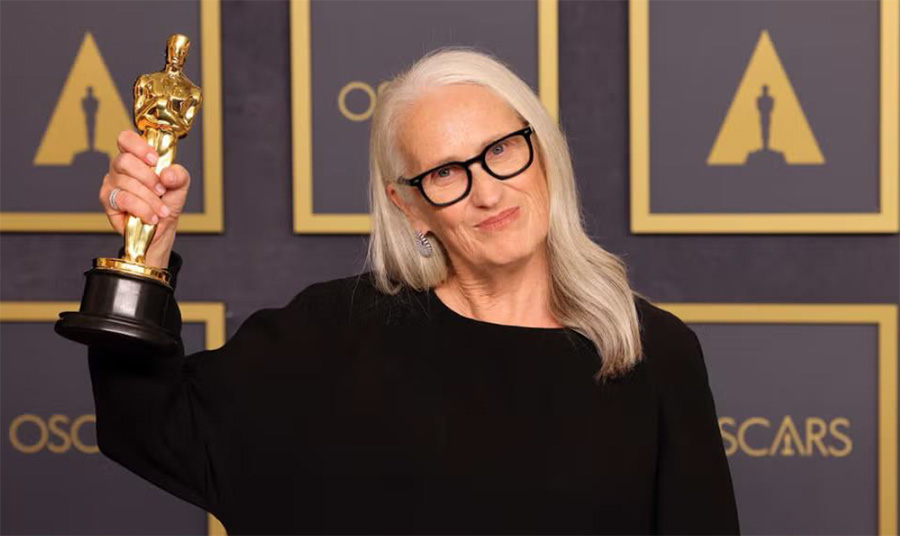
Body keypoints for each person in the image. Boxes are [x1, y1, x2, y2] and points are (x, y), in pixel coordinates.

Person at [91, 47, 740, 535]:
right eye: (447, 173)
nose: (488, 193)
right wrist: (148, 249)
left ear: (543, 153)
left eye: (501, 150)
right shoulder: (330, 333)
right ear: (410, 206)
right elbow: (151, 425)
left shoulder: (656, 354)